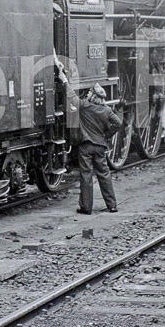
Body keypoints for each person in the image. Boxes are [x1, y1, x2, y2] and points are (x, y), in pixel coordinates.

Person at [55, 61, 123, 214]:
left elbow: (72, 97)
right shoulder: (107, 110)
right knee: (104, 175)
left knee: (86, 176)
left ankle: (86, 208)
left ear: (93, 95)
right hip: (100, 146)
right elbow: (118, 124)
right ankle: (112, 205)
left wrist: (64, 80)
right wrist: (106, 136)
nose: (87, 95)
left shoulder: (85, 105)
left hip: (85, 147)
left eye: (89, 93)